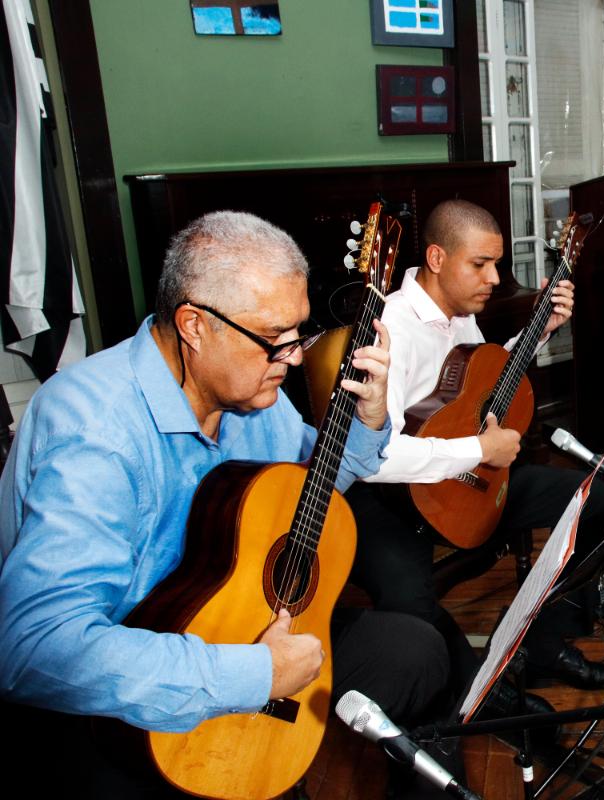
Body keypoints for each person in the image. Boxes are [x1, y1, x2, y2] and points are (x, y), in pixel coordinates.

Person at [0, 211, 450, 797]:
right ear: (194, 326)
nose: (293, 358)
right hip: (116, 685)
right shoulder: (94, 431)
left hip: (235, 623)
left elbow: (308, 491)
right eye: (275, 339)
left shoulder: (254, 397)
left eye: (299, 333)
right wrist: (253, 674)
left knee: (417, 651)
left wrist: (366, 422)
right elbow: (36, 648)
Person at [346, 199, 604, 692]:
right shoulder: (389, 328)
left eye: (496, 263)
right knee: (412, 615)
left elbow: (477, 385)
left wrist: (538, 333)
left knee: (592, 496)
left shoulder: (459, 313)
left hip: (464, 479)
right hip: (391, 499)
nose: (494, 278)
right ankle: (467, 706)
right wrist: (480, 450)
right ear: (437, 258)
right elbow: (376, 458)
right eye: (480, 264)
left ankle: (546, 642)